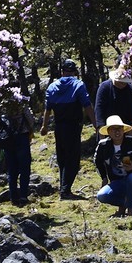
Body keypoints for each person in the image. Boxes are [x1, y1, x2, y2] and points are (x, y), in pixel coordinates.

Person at [40, 59, 97, 200]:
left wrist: (44, 126)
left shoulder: (52, 87)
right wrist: (96, 123)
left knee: (62, 158)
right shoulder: (78, 85)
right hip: (73, 126)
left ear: (62, 72)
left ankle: (63, 188)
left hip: (58, 126)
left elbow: (47, 109)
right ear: (74, 72)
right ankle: (65, 191)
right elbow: (87, 105)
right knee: (73, 158)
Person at [93, 115, 132, 217]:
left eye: (119, 129)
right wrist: (104, 178)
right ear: (108, 132)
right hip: (116, 182)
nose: (117, 132)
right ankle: (123, 204)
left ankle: (130, 208)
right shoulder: (103, 145)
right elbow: (97, 162)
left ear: (124, 130)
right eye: (113, 129)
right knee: (102, 196)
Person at [0, 100, 38, 205]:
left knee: (12, 170)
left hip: (7, 140)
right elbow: (31, 120)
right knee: (24, 169)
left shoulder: (2, 106)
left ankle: (13, 197)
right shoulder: (21, 104)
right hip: (22, 138)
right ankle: (23, 196)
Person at [95, 66, 132, 144]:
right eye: (120, 82)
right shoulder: (104, 87)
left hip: (126, 129)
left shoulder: (131, 90)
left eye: (124, 82)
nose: (122, 84)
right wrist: (102, 135)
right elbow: (99, 110)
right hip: (108, 128)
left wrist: (130, 137)